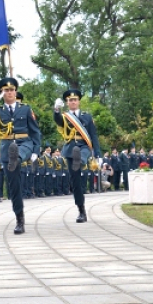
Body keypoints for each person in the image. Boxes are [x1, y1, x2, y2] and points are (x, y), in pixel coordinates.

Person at [0, 78, 41, 234]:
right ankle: (20, 219)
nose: (10, 92)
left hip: (24, 143)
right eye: (6, 90)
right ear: (2, 93)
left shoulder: (26, 109)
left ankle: (17, 158)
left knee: (19, 153)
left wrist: (35, 151)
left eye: (12, 89)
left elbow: (35, 132)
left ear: (15, 91)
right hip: (6, 146)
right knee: (14, 188)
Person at [54, 89, 101, 223]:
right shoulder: (65, 116)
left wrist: (98, 153)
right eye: (70, 100)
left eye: (75, 100)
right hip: (70, 148)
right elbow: (58, 121)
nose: (73, 102)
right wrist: (56, 110)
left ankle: (80, 160)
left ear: (78, 101)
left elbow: (93, 135)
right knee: (75, 182)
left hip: (84, 145)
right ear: (67, 102)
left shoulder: (87, 117)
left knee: (82, 155)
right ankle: (81, 211)